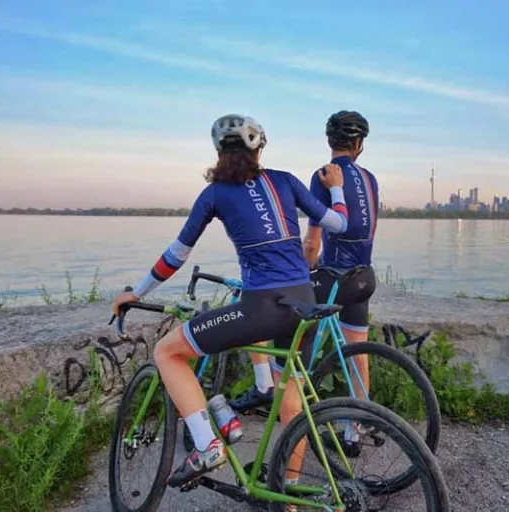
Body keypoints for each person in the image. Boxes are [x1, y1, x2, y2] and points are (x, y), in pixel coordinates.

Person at [111, 114, 348, 487]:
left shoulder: (215, 194)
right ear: (259, 149)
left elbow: (177, 255)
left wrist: (137, 293)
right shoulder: (285, 180)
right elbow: (339, 224)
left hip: (261, 308)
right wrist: (336, 191)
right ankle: (288, 493)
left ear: (219, 152)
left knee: (168, 353)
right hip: (305, 300)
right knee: (292, 398)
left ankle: (207, 445)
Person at [232, 111, 378, 447]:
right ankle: (355, 430)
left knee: (264, 304)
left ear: (330, 142)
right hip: (364, 277)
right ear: (359, 145)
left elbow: (312, 242)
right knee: (357, 351)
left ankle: (267, 387)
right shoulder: (370, 178)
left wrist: (300, 266)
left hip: (334, 276)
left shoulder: (323, 176)